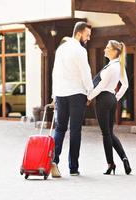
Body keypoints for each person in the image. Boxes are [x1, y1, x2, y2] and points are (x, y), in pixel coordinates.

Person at [51, 22, 93, 177]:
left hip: (61, 94)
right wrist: (90, 93)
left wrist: (54, 95)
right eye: (87, 35)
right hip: (77, 94)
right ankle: (73, 168)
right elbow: (86, 73)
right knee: (75, 130)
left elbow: (55, 73)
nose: (88, 38)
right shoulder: (80, 50)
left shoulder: (61, 49)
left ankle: (54, 161)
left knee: (60, 129)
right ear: (79, 33)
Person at [87, 40, 132, 175]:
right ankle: (124, 158)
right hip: (111, 99)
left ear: (114, 51)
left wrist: (89, 98)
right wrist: (116, 97)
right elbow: (125, 85)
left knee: (106, 134)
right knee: (110, 133)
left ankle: (110, 164)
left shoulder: (111, 67)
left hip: (103, 99)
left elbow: (100, 86)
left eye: (107, 48)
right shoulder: (119, 66)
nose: (105, 50)